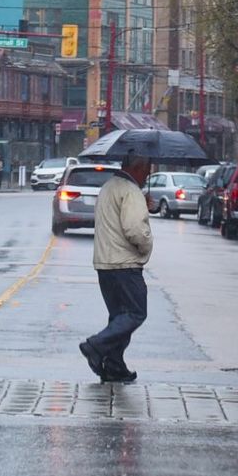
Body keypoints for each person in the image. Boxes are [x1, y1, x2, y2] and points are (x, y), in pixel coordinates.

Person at [79, 152, 153, 384]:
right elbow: (134, 229)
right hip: (124, 263)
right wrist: (146, 244)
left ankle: (114, 365)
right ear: (138, 168)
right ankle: (96, 345)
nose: (148, 175)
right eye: (147, 170)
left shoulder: (109, 187)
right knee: (135, 313)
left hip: (105, 263)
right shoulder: (131, 191)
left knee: (119, 317)